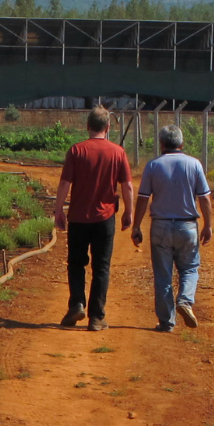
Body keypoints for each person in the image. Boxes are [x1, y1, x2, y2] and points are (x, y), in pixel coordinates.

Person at [53, 107, 133, 331]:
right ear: (108, 128)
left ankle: (77, 304)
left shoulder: (76, 151)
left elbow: (65, 183)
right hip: (104, 219)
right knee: (101, 267)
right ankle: (96, 317)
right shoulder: (118, 152)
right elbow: (127, 185)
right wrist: (129, 212)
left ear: (87, 126)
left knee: (76, 263)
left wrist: (58, 210)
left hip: (78, 218)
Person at [131, 124, 213, 332]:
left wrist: (136, 226)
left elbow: (143, 199)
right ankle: (185, 300)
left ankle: (167, 321)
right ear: (182, 143)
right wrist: (208, 225)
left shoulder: (153, 166)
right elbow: (204, 198)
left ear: (161, 144)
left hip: (160, 226)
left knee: (163, 275)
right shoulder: (194, 164)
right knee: (190, 268)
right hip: (187, 225)